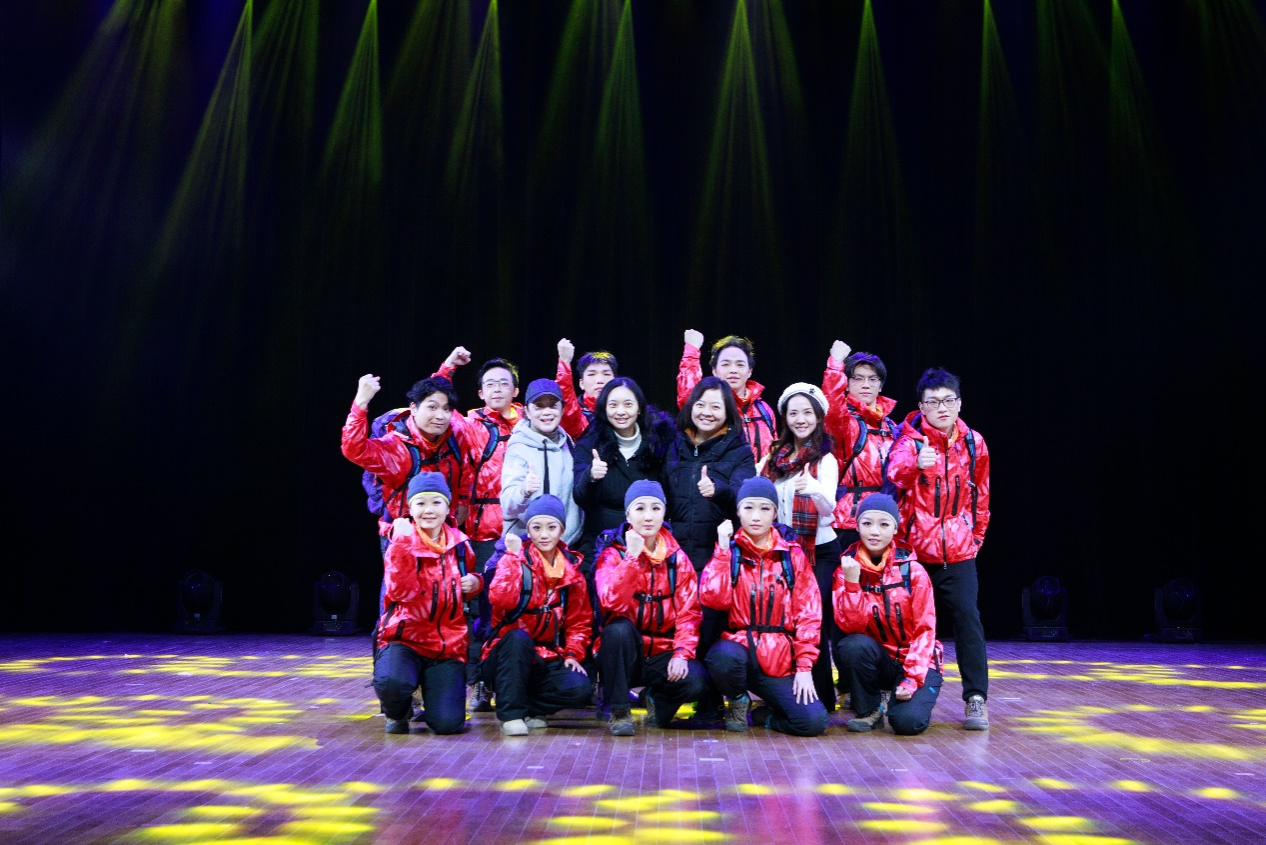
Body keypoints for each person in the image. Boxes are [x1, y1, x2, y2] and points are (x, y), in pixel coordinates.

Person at [888, 367, 991, 730]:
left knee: (968, 619)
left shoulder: (974, 443)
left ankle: (976, 699)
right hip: (915, 553)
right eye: (933, 402)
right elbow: (895, 475)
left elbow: (981, 495)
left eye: (948, 400)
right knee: (905, 625)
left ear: (959, 403)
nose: (942, 408)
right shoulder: (909, 440)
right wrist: (916, 465)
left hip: (959, 551)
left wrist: (975, 538)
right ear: (922, 406)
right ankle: (892, 691)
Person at [432, 346, 524, 712]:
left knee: (520, 608)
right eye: (490, 384)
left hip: (524, 531)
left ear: (516, 390)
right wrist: (448, 367)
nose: (498, 389)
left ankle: (519, 683)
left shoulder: (531, 422)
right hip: (483, 532)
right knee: (479, 610)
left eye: (504, 383)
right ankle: (481, 682)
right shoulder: (470, 425)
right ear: (481, 393)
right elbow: (434, 402)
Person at [700, 477, 828, 737]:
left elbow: (809, 614)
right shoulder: (730, 552)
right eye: (748, 508)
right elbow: (714, 599)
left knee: (813, 722)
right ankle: (737, 700)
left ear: (775, 513)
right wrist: (722, 551)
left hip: (779, 661)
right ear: (738, 511)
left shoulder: (792, 555)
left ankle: (763, 715)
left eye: (764, 508)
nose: (756, 516)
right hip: (740, 653)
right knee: (722, 657)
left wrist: (804, 667)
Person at [661, 376, 757, 720]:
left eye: (716, 406)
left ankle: (713, 703)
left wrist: (719, 490)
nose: (707, 412)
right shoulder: (673, 445)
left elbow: (745, 498)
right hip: (675, 555)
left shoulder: (739, 450)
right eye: (700, 404)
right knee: (676, 627)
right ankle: (675, 694)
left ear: (728, 412)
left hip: (714, 556)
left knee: (710, 628)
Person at [593, 481, 707, 736]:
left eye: (655, 508)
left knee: (696, 681)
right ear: (628, 515)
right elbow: (611, 602)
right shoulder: (612, 554)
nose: (648, 516)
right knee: (617, 630)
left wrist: (681, 653)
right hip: (625, 653)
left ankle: (656, 700)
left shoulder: (678, 559)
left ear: (664, 513)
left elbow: (689, 613)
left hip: (661, 651)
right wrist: (632, 558)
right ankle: (619, 711)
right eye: (640, 508)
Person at [373, 472, 482, 735]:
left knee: (447, 725)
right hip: (405, 640)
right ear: (410, 509)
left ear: (448, 507)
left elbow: (463, 584)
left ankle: (430, 686)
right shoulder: (400, 540)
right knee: (391, 682)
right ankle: (398, 711)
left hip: (446, 646)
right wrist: (401, 545)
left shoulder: (459, 544)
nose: (429, 510)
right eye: (421, 503)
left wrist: (475, 582)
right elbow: (400, 591)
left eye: (436, 502)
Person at [758, 383, 841, 710]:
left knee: (812, 621)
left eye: (807, 412)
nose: (800, 419)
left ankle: (822, 698)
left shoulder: (825, 459)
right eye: (794, 413)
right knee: (785, 620)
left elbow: (830, 510)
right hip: (784, 553)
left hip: (819, 552)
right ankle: (789, 693)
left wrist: (815, 489)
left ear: (818, 417)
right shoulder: (774, 458)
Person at [481, 495, 593, 736]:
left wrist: (572, 653)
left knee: (580, 688)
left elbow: (579, 623)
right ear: (528, 530)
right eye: (536, 527)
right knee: (518, 638)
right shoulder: (514, 558)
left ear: (562, 530)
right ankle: (511, 714)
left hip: (546, 656)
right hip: (506, 655)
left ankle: (531, 708)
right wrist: (512, 559)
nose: (544, 535)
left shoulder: (572, 572)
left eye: (551, 527)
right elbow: (500, 599)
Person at [832, 493, 943, 735]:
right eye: (867, 523)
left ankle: (897, 699)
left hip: (917, 661)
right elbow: (850, 627)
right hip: (879, 659)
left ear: (895, 528)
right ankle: (869, 711)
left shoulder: (913, 571)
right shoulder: (845, 570)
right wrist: (852, 585)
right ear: (856, 526)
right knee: (852, 645)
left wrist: (911, 678)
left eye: (883, 524)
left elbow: (925, 631)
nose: (874, 531)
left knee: (907, 723)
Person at [342, 374, 465, 555]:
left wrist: (448, 369)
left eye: (447, 409)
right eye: (432, 407)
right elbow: (354, 450)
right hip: (403, 538)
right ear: (413, 408)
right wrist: (360, 403)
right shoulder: (394, 447)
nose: (440, 416)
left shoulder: (454, 436)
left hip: (445, 534)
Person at [572, 377, 675, 561]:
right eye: (613, 405)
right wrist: (591, 476)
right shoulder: (590, 443)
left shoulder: (659, 442)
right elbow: (580, 498)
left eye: (628, 404)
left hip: (650, 543)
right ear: (604, 409)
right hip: (602, 544)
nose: (621, 411)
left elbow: (670, 493)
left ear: (639, 408)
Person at [821, 341, 903, 548]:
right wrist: (835, 364)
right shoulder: (844, 422)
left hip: (885, 520)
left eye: (872, 379)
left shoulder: (892, 427)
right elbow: (832, 405)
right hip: (848, 522)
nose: (866, 384)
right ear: (847, 384)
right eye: (858, 378)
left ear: (880, 385)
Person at [501, 379, 583, 546]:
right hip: (528, 547)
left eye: (553, 405)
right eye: (539, 406)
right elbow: (508, 505)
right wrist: (523, 491)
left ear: (562, 409)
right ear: (527, 411)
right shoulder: (519, 447)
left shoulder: (568, 443)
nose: (546, 412)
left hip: (566, 546)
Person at [677, 330, 777, 461]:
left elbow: (776, 451)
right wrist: (692, 351)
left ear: (749, 371)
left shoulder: (764, 410)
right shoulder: (709, 408)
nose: (733, 370)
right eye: (725, 364)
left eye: (740, 364)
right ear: (714, 371)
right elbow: (687, 396)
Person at [555, 338, 618, 440]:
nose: (600, 380)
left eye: (606, 374)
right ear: (581, 384)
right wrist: (564, 363)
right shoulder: (579, 417)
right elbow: (567, 405)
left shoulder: (623, 411)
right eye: (592, 374)